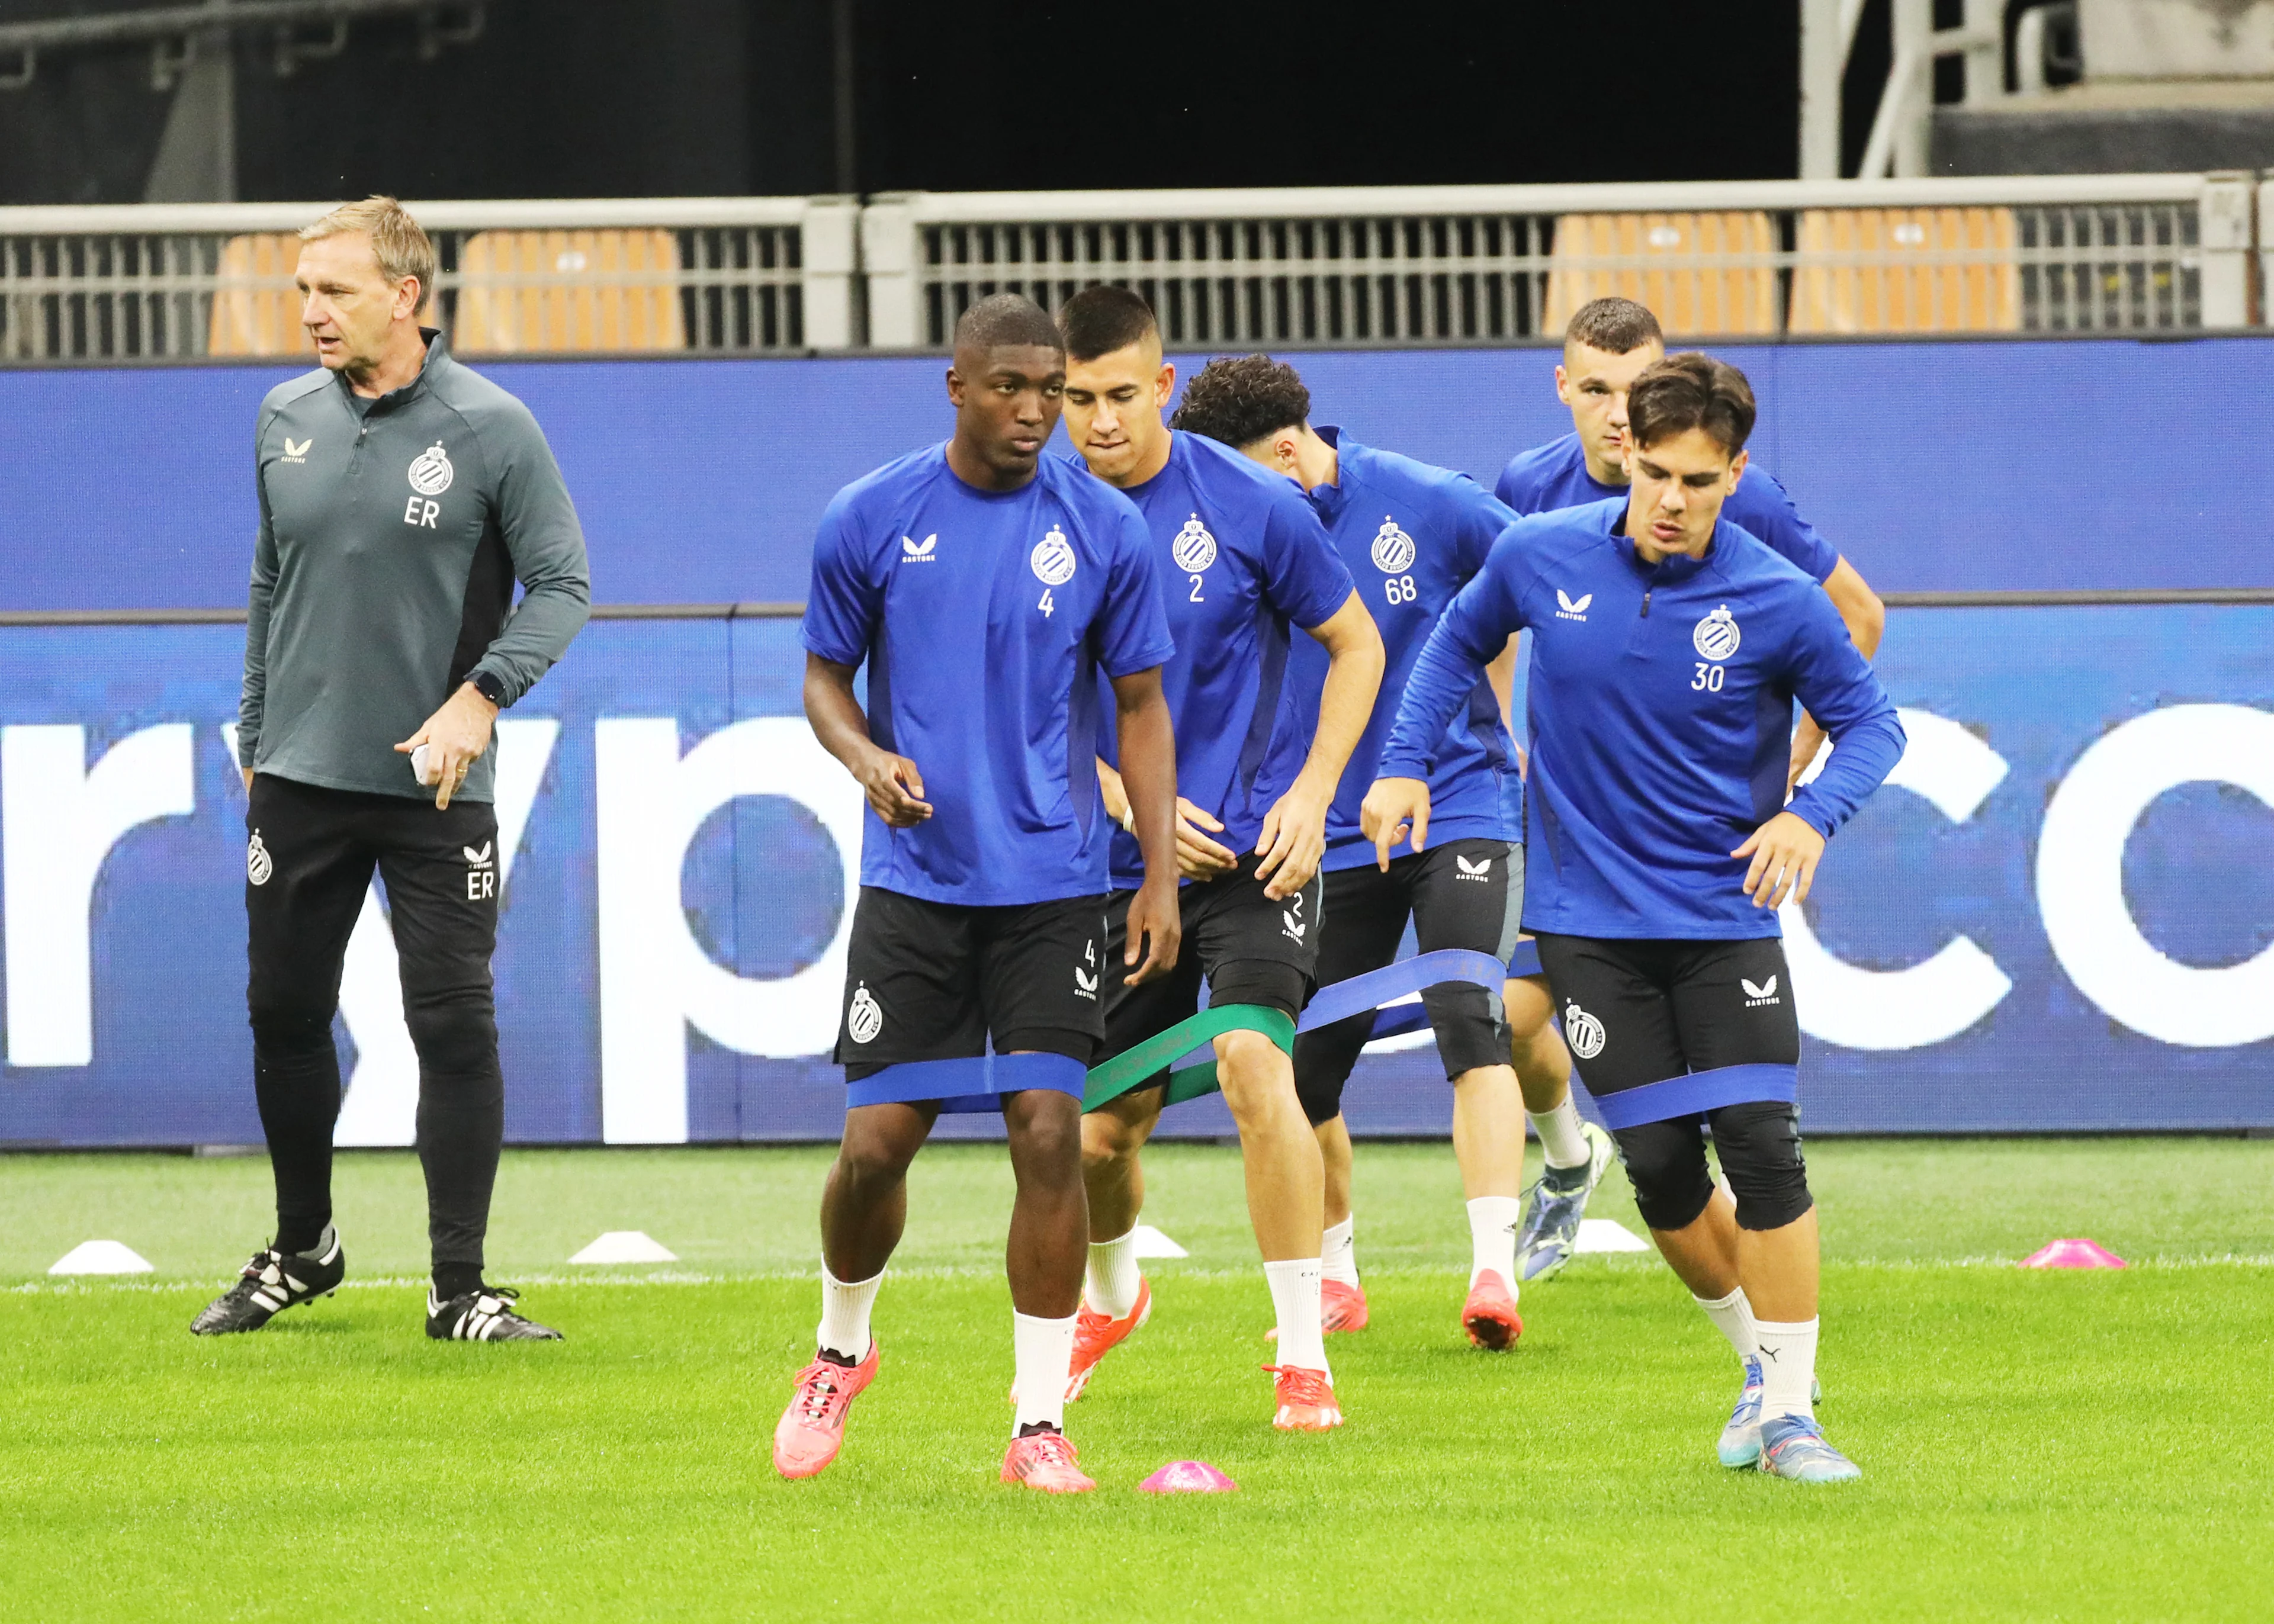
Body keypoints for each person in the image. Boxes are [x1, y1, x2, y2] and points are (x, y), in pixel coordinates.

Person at [1367, 353, 1903, 1483]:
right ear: (1626, 458)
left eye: (1696, 480)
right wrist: (1407, 764)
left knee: (1762, 1146)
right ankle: (1760, 1368)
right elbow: (1452, 644)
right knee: (1662, 1166)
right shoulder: (1539, 551)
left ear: (1735, 474)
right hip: (1584, 922)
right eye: (1653, 472)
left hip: (1723, 918)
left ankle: (1797, 1412)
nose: (1669, 499)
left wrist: (1811, 815)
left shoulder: (1776, 598)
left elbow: (1872, 726)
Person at [778, 294, 1183, 1494]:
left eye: (1051, 390)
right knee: (875, 1148)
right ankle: (841, 1348)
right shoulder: (872, 515)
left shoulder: (1104, 529)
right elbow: (824, 679)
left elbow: (1144, 707)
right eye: (1010, 387)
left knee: (1050, 1133)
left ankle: (1039, 1422)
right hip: (918, 884)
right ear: (956, 387)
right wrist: (864, 759)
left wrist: (1156, 873)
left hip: (1057, 887)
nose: (1036, 411)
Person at [195, 197, 589, 1343]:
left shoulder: (493, 427)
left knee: (453, 1025)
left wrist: (481, 697)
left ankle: (461, 1286)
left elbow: (563, 585)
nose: (310, 313)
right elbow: (273, 583)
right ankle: (304, 1246)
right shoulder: (282, 417)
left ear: (406, 295)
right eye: (302, 291)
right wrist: (257, 739)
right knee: (283, 1012)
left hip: (435, 789)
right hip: (301, 778)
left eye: (335, 291)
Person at [1170, 353, 1610, 1350]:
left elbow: (1538, 579)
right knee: (1304, 1067)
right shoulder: (1226, 534)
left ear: (1287, 452)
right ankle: (1334, 1271)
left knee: (1471, 1010)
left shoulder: (1429, 500)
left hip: (1458, 802)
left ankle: (1495, 1270)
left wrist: (1498, 705)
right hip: (1323, 826)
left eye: (1231, 473)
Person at [1056, 288, 1383, 1429]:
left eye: (1119, 395)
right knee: (1099, 1130)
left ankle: (1303, 1356)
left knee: (1253, 1058)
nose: (1099, 421)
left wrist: (1311, 793)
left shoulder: (1249, 501)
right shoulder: (1032, 519)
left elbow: (1357, 643)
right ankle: (1114, 1296)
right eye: (1076, 399)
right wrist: (1119, 799)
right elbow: (1025, 702)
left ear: (1162, 383)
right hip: (1117, 866)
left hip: (1255, 853)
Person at [1496, 297, 1886, 797]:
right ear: (1563, 386)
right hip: (1578, 814)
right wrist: (1503, 731)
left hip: (1712, 817)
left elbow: (1861, 615)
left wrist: (1801, 752)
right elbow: (1492, 617)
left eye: (1635, 390)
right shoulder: (1529, 485)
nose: (1618, 415)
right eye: (1596, 390)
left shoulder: (1741, 494)